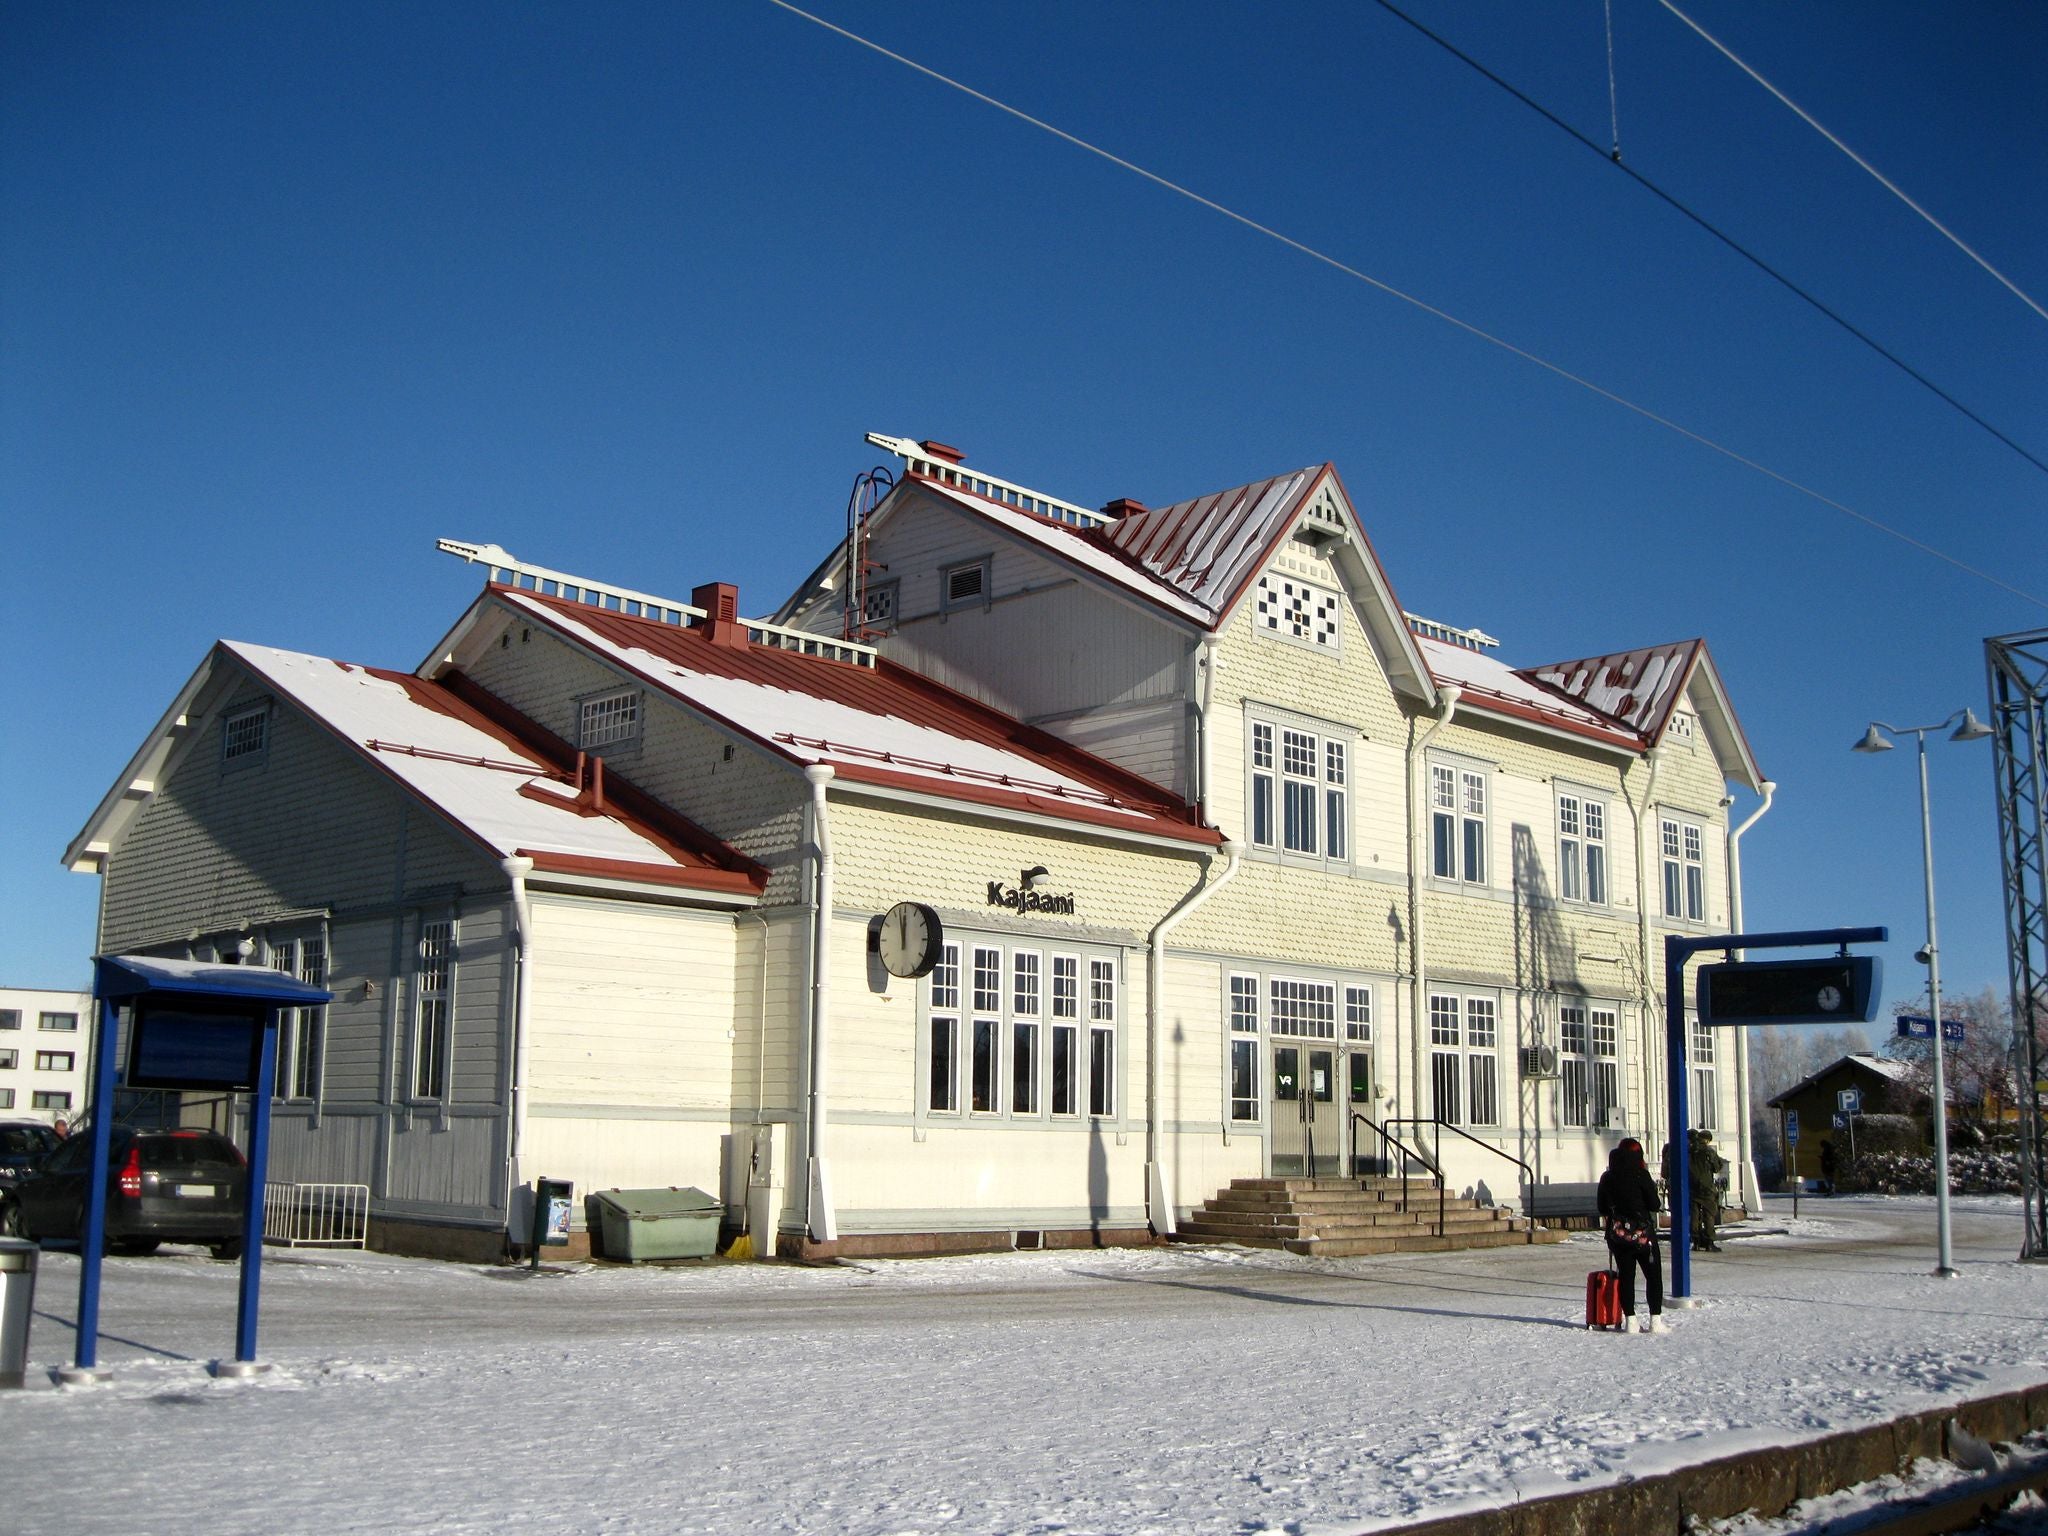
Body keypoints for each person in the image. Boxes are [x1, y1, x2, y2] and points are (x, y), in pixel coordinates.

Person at [1597, 1137, 1666, 1333]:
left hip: (1619, 1236)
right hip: (1644, 1236)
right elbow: (1654, 1204)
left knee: (1626, 1277)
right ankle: (1655, 1322)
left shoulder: (1607, 1177)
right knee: (1653, 1277)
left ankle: (1631, 1321)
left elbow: (1601, 1207)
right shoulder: (1640, 1174)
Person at [1689, 1129, 1725, 1251]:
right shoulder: (1709, 1151)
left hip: (1692, 1187)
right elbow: (1717, 1167)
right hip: (1706, 1187)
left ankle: (1696, 1241)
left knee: (1694, 1215)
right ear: (1707, 1140)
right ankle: (1709, 1241)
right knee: (1709, 1214)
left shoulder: (1689, 1151)